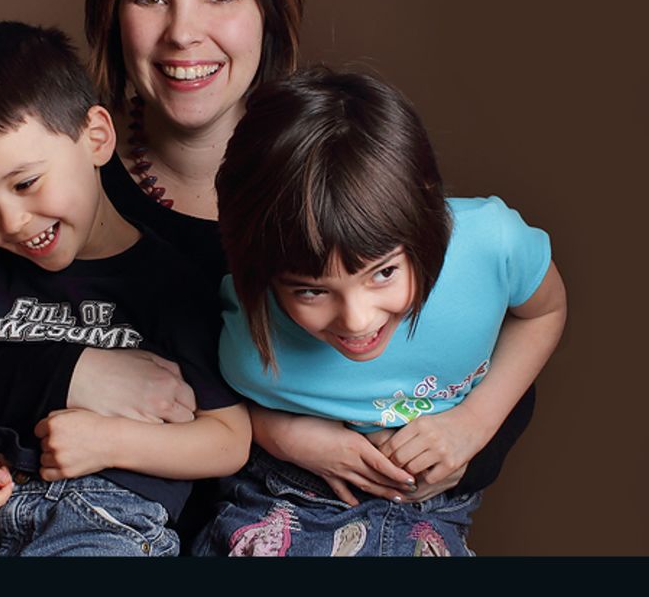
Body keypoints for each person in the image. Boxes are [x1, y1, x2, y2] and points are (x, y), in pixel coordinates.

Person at [0, 0, 538, 550]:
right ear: (114, 18)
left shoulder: (328, 175)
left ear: (270, 10)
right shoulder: (54, 184)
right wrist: (75, 373)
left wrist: (451, 443)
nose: (183, 32)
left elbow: (465, 342)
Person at [0, 21, 250, 556]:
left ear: (96, 139)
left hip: (106, 527)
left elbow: (229, 439)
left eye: (25, 183)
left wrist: (110, 441)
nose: (9, 221)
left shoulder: (169, 285)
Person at [192, 67, 567, 556]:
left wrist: (473, 422)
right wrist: (290, 437)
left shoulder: (491, 245)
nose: (357, 320)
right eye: (311, 291)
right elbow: (221, 400)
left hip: (431, 508)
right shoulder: (240, 320)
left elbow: (543, 312)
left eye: (383, 274)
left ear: (426, 215)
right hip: (283, 496)